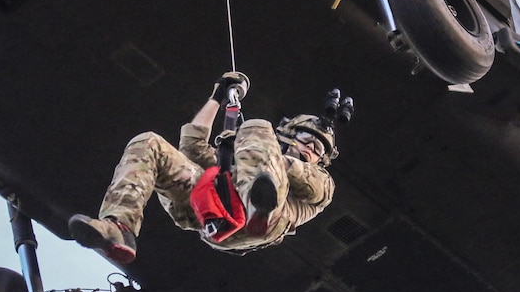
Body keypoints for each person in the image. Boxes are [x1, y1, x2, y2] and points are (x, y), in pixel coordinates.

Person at [69, 72, 339, 261]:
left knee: (256, 126)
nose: (310, 151)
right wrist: (218, 97)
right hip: (213, 212)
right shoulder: (244, 159)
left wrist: (253, 148)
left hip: (266, 220)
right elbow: (193, 148)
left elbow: (307, 180)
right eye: (307, 140)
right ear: (290, 134)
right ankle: (119, 227)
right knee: (149, 143)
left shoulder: (322, 185)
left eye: (318, 151)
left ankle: (258, 206)